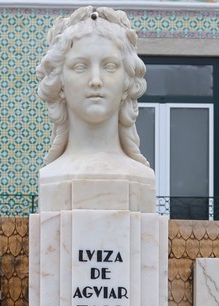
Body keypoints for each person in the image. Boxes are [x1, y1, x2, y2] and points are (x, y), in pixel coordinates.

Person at [36, 5, 154, 182]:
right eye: (80, 67)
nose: (96, 80)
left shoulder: (141, 176)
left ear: (127, 81)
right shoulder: (51, 176)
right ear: (59, 82)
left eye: (110, 66)